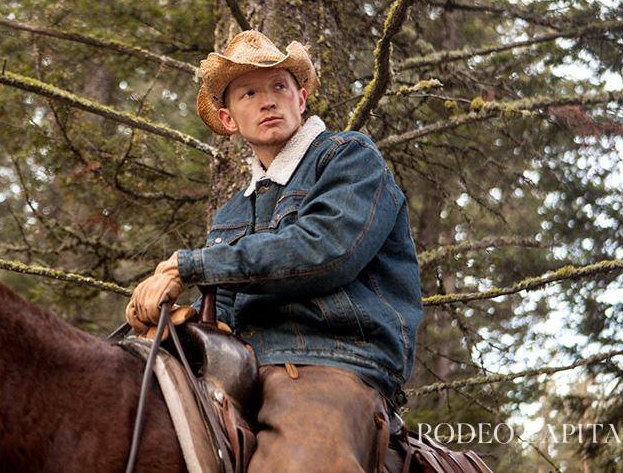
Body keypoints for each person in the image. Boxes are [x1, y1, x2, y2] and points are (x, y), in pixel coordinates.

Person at [125, 30, 423, 472]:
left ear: (301, 99)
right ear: (229, 120)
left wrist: (193, 265)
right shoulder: (232, 212)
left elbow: (325, 251)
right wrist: (169, 320)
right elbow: (223, 303)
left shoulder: (348, 158)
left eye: (279, 87)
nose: (268, 101)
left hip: (332, 361)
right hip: (242, 368)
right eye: (249, 93)